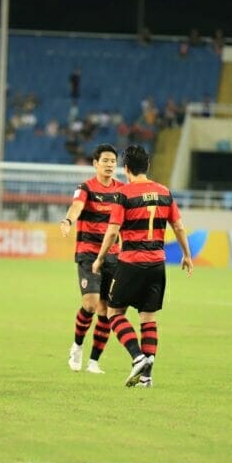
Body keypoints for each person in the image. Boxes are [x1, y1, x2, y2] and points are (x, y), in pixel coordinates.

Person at [92, 145, 193, 388]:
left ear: (125, 168)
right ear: (147, 167)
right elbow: (178, 227)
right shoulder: (164, 192)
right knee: (148, 318)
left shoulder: (124, 194)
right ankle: (146, 377)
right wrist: (187, 255)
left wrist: (100, 258)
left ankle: (138, 357)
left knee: (114, 312)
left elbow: (113, 230)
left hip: (131, 262)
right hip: (157, 264)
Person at [59, 144, 124, 374]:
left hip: (113, 255)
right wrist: (68, 221)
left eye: (112, 161)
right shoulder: (85, 187)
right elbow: (76, 207)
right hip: (88, 253)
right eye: (105, 160)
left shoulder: (122, 191)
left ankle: (94, 361)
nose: (109, 165)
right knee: (90, 303)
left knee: (106, 310)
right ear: (95, 164)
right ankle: (77, 346)